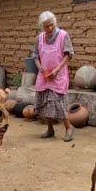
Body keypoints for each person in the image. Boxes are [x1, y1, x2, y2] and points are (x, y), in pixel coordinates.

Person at [32, 11, 75, 142]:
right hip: (44, 76)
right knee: (45, 103)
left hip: (58, 76)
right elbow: (35, 56)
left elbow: (68, 55)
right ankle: (50, 129)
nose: (49, 28)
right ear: (42, 27)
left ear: (55, 23)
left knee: (58, 103)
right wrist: (40, 68)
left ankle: (69, 128)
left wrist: (56, 70)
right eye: (46, 26)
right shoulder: (40, 38)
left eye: (51, 25)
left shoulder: (63, 35)